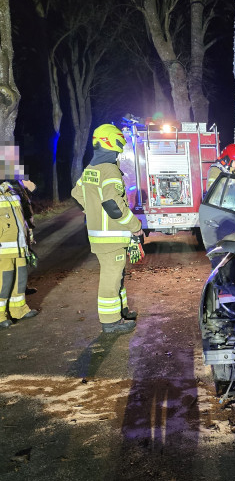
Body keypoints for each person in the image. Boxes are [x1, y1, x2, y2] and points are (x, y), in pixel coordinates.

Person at [71, 123, 142, 334]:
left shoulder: (90, 169)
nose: (121, 146)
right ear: (112, 142)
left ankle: (121, 311)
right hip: (111, 237)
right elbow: (113, 204)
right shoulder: (109, 169)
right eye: (119, 142)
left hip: (99, 236)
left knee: (116, 275)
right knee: (111, 277)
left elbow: (77, 194)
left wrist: (92, 211)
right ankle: (111, 322)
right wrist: (135, 226)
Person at [0, 145, 39, 328]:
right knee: (4, 280)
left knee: (20, 277)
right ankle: (1, 314)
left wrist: (28, 233)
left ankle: (18, 309)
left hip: (19, 244)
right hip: (3, 247)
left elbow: (24, 213)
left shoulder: (12, 189)